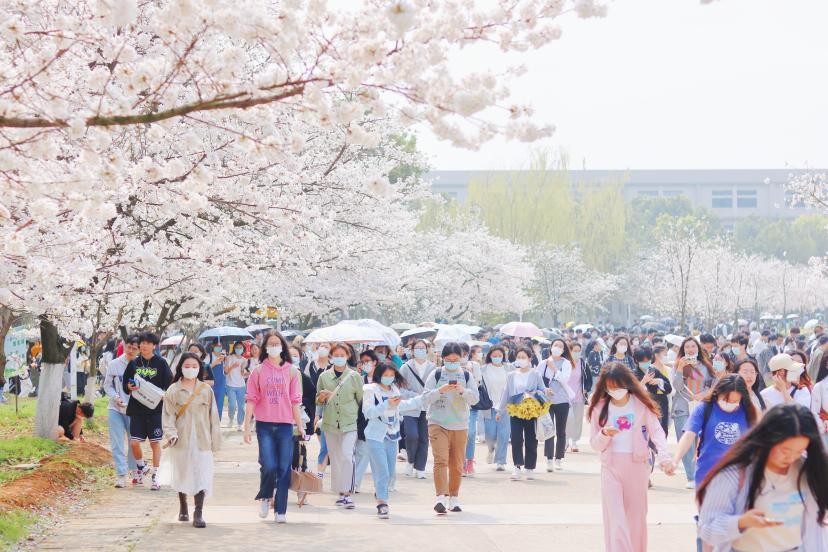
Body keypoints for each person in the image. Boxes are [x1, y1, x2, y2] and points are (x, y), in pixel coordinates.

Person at [697, 404, 828, 551]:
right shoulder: (736, 473)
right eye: (785, 450)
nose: (791, 457)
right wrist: (741, 522)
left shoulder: (807, 471)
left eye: (799, 451)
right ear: (768, 439)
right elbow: (706, 529)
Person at [588, 362, 675, 552]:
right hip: (610, 468)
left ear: (627, 383)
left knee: (636, 520)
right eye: (610, 387)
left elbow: (657, 432)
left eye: (618, 386)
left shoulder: (641, 404)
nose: (615, 391)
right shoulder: (599, 408)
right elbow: (594, 444)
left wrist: (665, 458)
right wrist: (604, 434)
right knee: (616, 520)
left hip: (637, 467)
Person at [243, 331, 303, 523]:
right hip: (264, 425)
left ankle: (281, 509)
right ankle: (265, 495)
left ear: (283, 347)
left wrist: (300, 426)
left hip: (286, 425)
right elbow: (251, 400)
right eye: (271, 343)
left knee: (284, 468)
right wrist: (246, 427)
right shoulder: (258, 371)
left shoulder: (292, 371)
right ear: (265, 347)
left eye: (278, 343)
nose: (274, 346)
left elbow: (295, 401)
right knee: (268, 465)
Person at [162, 353, 221, 529]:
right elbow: (168, 415)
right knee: (182, 472)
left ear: (199, 368)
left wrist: (215, 441)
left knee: (201, 473)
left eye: (194, 366)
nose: (190, 369)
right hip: (181, 440)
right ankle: (183, 506)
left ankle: (199, 512)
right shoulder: (173, 390)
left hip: (202, 440)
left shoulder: (205, 390)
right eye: (187, 365)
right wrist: (171, 434)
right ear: (181, 367)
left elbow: (214, 416)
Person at [421, 342, 479, 514]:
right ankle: (440, 497)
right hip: (437, 422)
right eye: (448, 359)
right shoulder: (436, 374)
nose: (452, 362)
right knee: (441, 460)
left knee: (456, 464)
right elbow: (425, 398)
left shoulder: (467, 376)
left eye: (456, 359)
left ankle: (453, 498)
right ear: (443, 358)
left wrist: (463, 391)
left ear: (461, 358)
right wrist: (441, 390)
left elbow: (475, 399)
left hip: (460, 424)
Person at [672, 375, 758, 490]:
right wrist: (675, 460)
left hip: (738, 475)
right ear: (717, 393)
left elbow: (758, 439)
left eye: (735, 401)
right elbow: (688, 435)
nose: (730, 403)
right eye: (726, 399)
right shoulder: (704, 408)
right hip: (707, 474)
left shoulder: (749, 411)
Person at [362, 362, 423, 519]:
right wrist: (386, 404)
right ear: (379, 375)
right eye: (385, 375)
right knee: (381, 469)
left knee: (389, 472)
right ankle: (382, 502)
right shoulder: (370, 390)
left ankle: (380, 492)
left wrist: (425, 398)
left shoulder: (395, 389)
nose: (388, 378)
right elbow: (368, 413)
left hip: (392, 435)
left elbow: (401, 407)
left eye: (391, 375)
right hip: (375, 435)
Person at [315, 342, 364, 509]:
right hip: (330, 424)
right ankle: (340, 492)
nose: (339, 358)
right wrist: (322, 397)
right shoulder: (324, 377)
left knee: (347, 454)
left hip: (350, 422)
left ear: (348, 356)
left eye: (342, 355)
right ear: (331, 356)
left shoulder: (354, 376)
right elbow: (318, 400)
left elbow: (360, 400)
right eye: (336, 355)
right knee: (335, 458)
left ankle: (349, 492)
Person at [123, 332, 173, 491]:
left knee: (154, 443)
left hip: (155, 410)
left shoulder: (161, 363)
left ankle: (156, 475)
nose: (143, 346)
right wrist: (128, 387)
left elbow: (169, 384)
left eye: (147, 343)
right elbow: (126, 383)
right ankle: (142, 467)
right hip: (137, 409)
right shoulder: (134, 363)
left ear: (154, 346)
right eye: (142, 343)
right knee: (134, 442)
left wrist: (166, 395)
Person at [498, 347, 549, 481]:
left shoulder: (535, 374)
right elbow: (506, 393)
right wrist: (500, 410)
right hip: (515, 410)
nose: (520, 359)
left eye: (523, 357)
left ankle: (530, 467)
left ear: (529, 359)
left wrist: (538, 393)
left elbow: (542, 390)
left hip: (531, 410)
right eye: (518, 357)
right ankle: (517, 467)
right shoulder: (511, 375)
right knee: (516, 439)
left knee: (531, 439)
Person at [103, 334, 139, 487]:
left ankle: (134, 469)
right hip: (115, 408)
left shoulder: (141, 365)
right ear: (124, 346)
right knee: (117, 442)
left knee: (134, 441)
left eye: (134, 348)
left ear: (139, 349)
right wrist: (115, 396)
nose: (130, 350)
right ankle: (121, 474)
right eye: (128, 347)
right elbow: (107, 385)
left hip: (134, 409)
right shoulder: (114, 364)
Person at [398, 339, 436, 479]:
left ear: (427, 350)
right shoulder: (405, 368)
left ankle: (420, 467)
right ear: (412, 351)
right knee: (412, 435)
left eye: (423, 348)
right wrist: (417, 396)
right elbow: (400, 389)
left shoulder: (433, 368)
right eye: (417, 348)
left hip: (427, 408)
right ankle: (411, 460)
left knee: (424, 438)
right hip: (410, 407)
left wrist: (428, 396)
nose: (420, 350)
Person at [537, 338, 574, 471]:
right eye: (555, 345)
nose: (557, 348)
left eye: (560, 346)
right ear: (551, 347)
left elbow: (565, 379)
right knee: (549, 429)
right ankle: (549, 459)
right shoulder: (543, 363)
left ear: (564, 350)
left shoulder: (566, 363)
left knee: (561, 430)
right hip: (547, 400)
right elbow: (538, 380)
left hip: (562, 400)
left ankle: (559, 458)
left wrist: (555, 369)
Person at [481, 345, 510, 471]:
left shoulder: (509, 368)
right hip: (489, 406)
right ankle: (491, 449)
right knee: (490, 434)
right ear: (490, 356)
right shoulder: (484, 369)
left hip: (505, 406)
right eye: (494, 356)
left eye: (499, 356)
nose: (497, 358)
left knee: (504, 434)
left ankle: (500, 461)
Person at [632, 347, 672, 435]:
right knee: (645, 434)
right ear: (636, 361)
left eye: (648, 361)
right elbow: (631, 393)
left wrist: (659, 382)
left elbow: (669, 388)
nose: (646, 363)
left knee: (661, 432)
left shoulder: (655, 371)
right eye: (643, 361)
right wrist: (643, 382)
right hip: (643, 409)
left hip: (660, 406)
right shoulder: (633, 374)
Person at [565, 341, 593, 453]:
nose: (576, 353)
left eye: (578, 351)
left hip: (579, 396)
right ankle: (566, 439)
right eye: (574, 351)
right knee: (568, 419)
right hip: (566, 396)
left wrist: (586, 388)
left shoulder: (583, 364)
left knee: (577, 419)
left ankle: (575, 441)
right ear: (570, 351)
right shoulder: (565, 363)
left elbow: (588, 380)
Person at [461, 342, 483, 477]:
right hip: (457, 406)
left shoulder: (474, 365)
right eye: (460, 354)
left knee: (471, 433)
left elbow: (478, 383)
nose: (463, 357)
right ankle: (461, 462)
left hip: (472, 405)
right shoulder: (451, 367)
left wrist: (470, 375)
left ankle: (469, 461)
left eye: (465, 354)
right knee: (460, 434)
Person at [223, 341, 249, 430]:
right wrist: (233, 366)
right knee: (232, 405)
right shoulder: (229, 358)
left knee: (241, 407)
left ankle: (239, 424)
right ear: (234, 348)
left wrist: (243, 370)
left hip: (241, 386)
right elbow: (226, 371)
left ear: (243, 349)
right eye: (237, 347)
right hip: (230, 385)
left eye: (240, 348)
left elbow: (244, 374)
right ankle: (230, 419)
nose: (239, 349)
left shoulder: (245, 360)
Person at [208, 341, 227, 421]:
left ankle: (217, 422)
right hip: (210, 382)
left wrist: (224, 361)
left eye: (220, 346)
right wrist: (215, 363)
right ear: (213, 346)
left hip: (221, 382)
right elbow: (205, 369)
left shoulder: (224, 357)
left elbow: (226, 371)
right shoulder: (209, 356)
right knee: (210, 403)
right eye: (216, 346)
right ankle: (209, 420)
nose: (218, 347)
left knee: (219, 403)